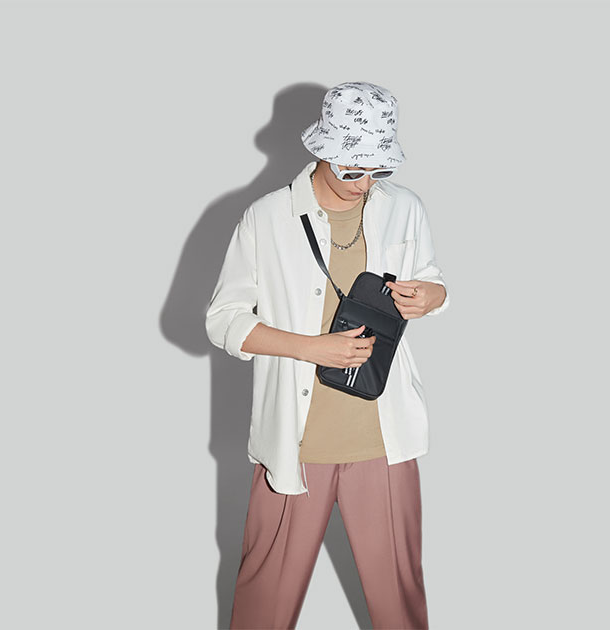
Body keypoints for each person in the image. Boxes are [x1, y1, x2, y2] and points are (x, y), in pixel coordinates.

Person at [205, 81, 450, 630]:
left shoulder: (404, 208)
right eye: (353, 170)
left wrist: (431, 296)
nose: (365, 184)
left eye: (378, 170)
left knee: (400, 602)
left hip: (384, 437)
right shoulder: (267, 218)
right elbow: (223, 320)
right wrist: (312, 348)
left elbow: (431, 280)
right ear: (323, 150)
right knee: (263, 602)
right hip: (295, 442)